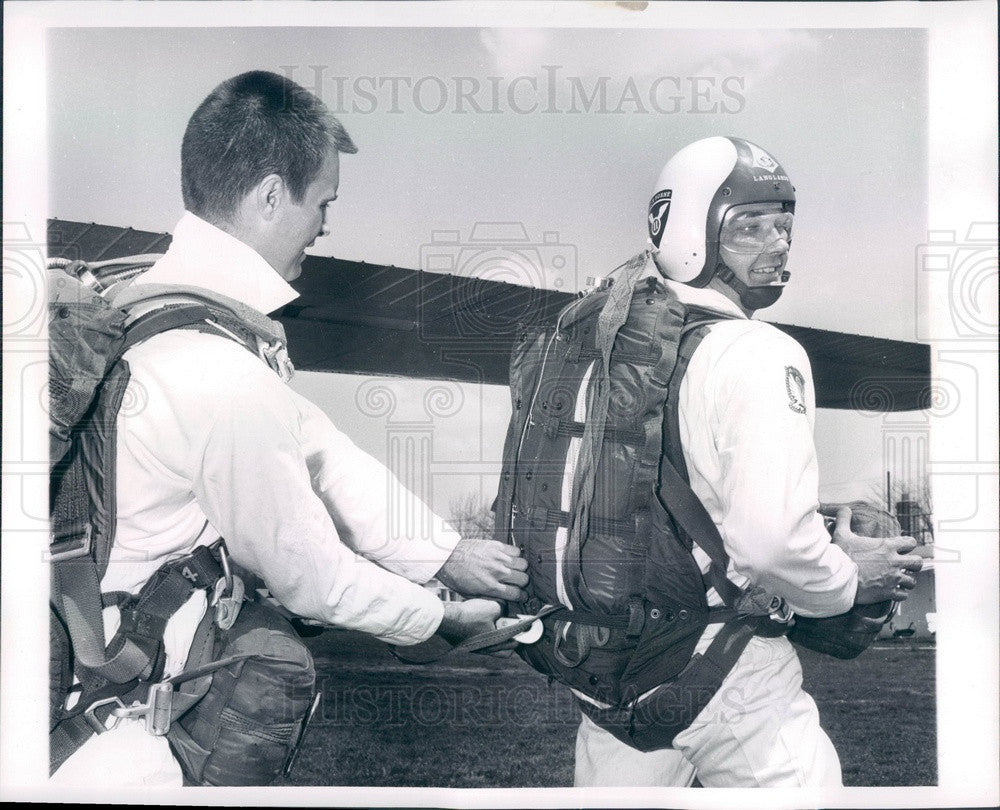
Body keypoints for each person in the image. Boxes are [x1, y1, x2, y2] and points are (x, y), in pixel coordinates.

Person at [50, 70, 528, 786]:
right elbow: (308, 576)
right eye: (323, 201)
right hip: (123, 735)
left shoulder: (145, 304)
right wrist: (436, 618)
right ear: (272, 195)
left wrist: (443, 552)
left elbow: (320, 449)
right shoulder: (222, 372)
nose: (326, 224)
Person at [572, 136, 923, 787]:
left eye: (784, 225)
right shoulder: (759, 350)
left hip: (609, 671)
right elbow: (768, 546)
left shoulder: (602, 357)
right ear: (684, 228)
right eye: (750, 225)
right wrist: (855, 579)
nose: (779, 243)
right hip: (726, 676)